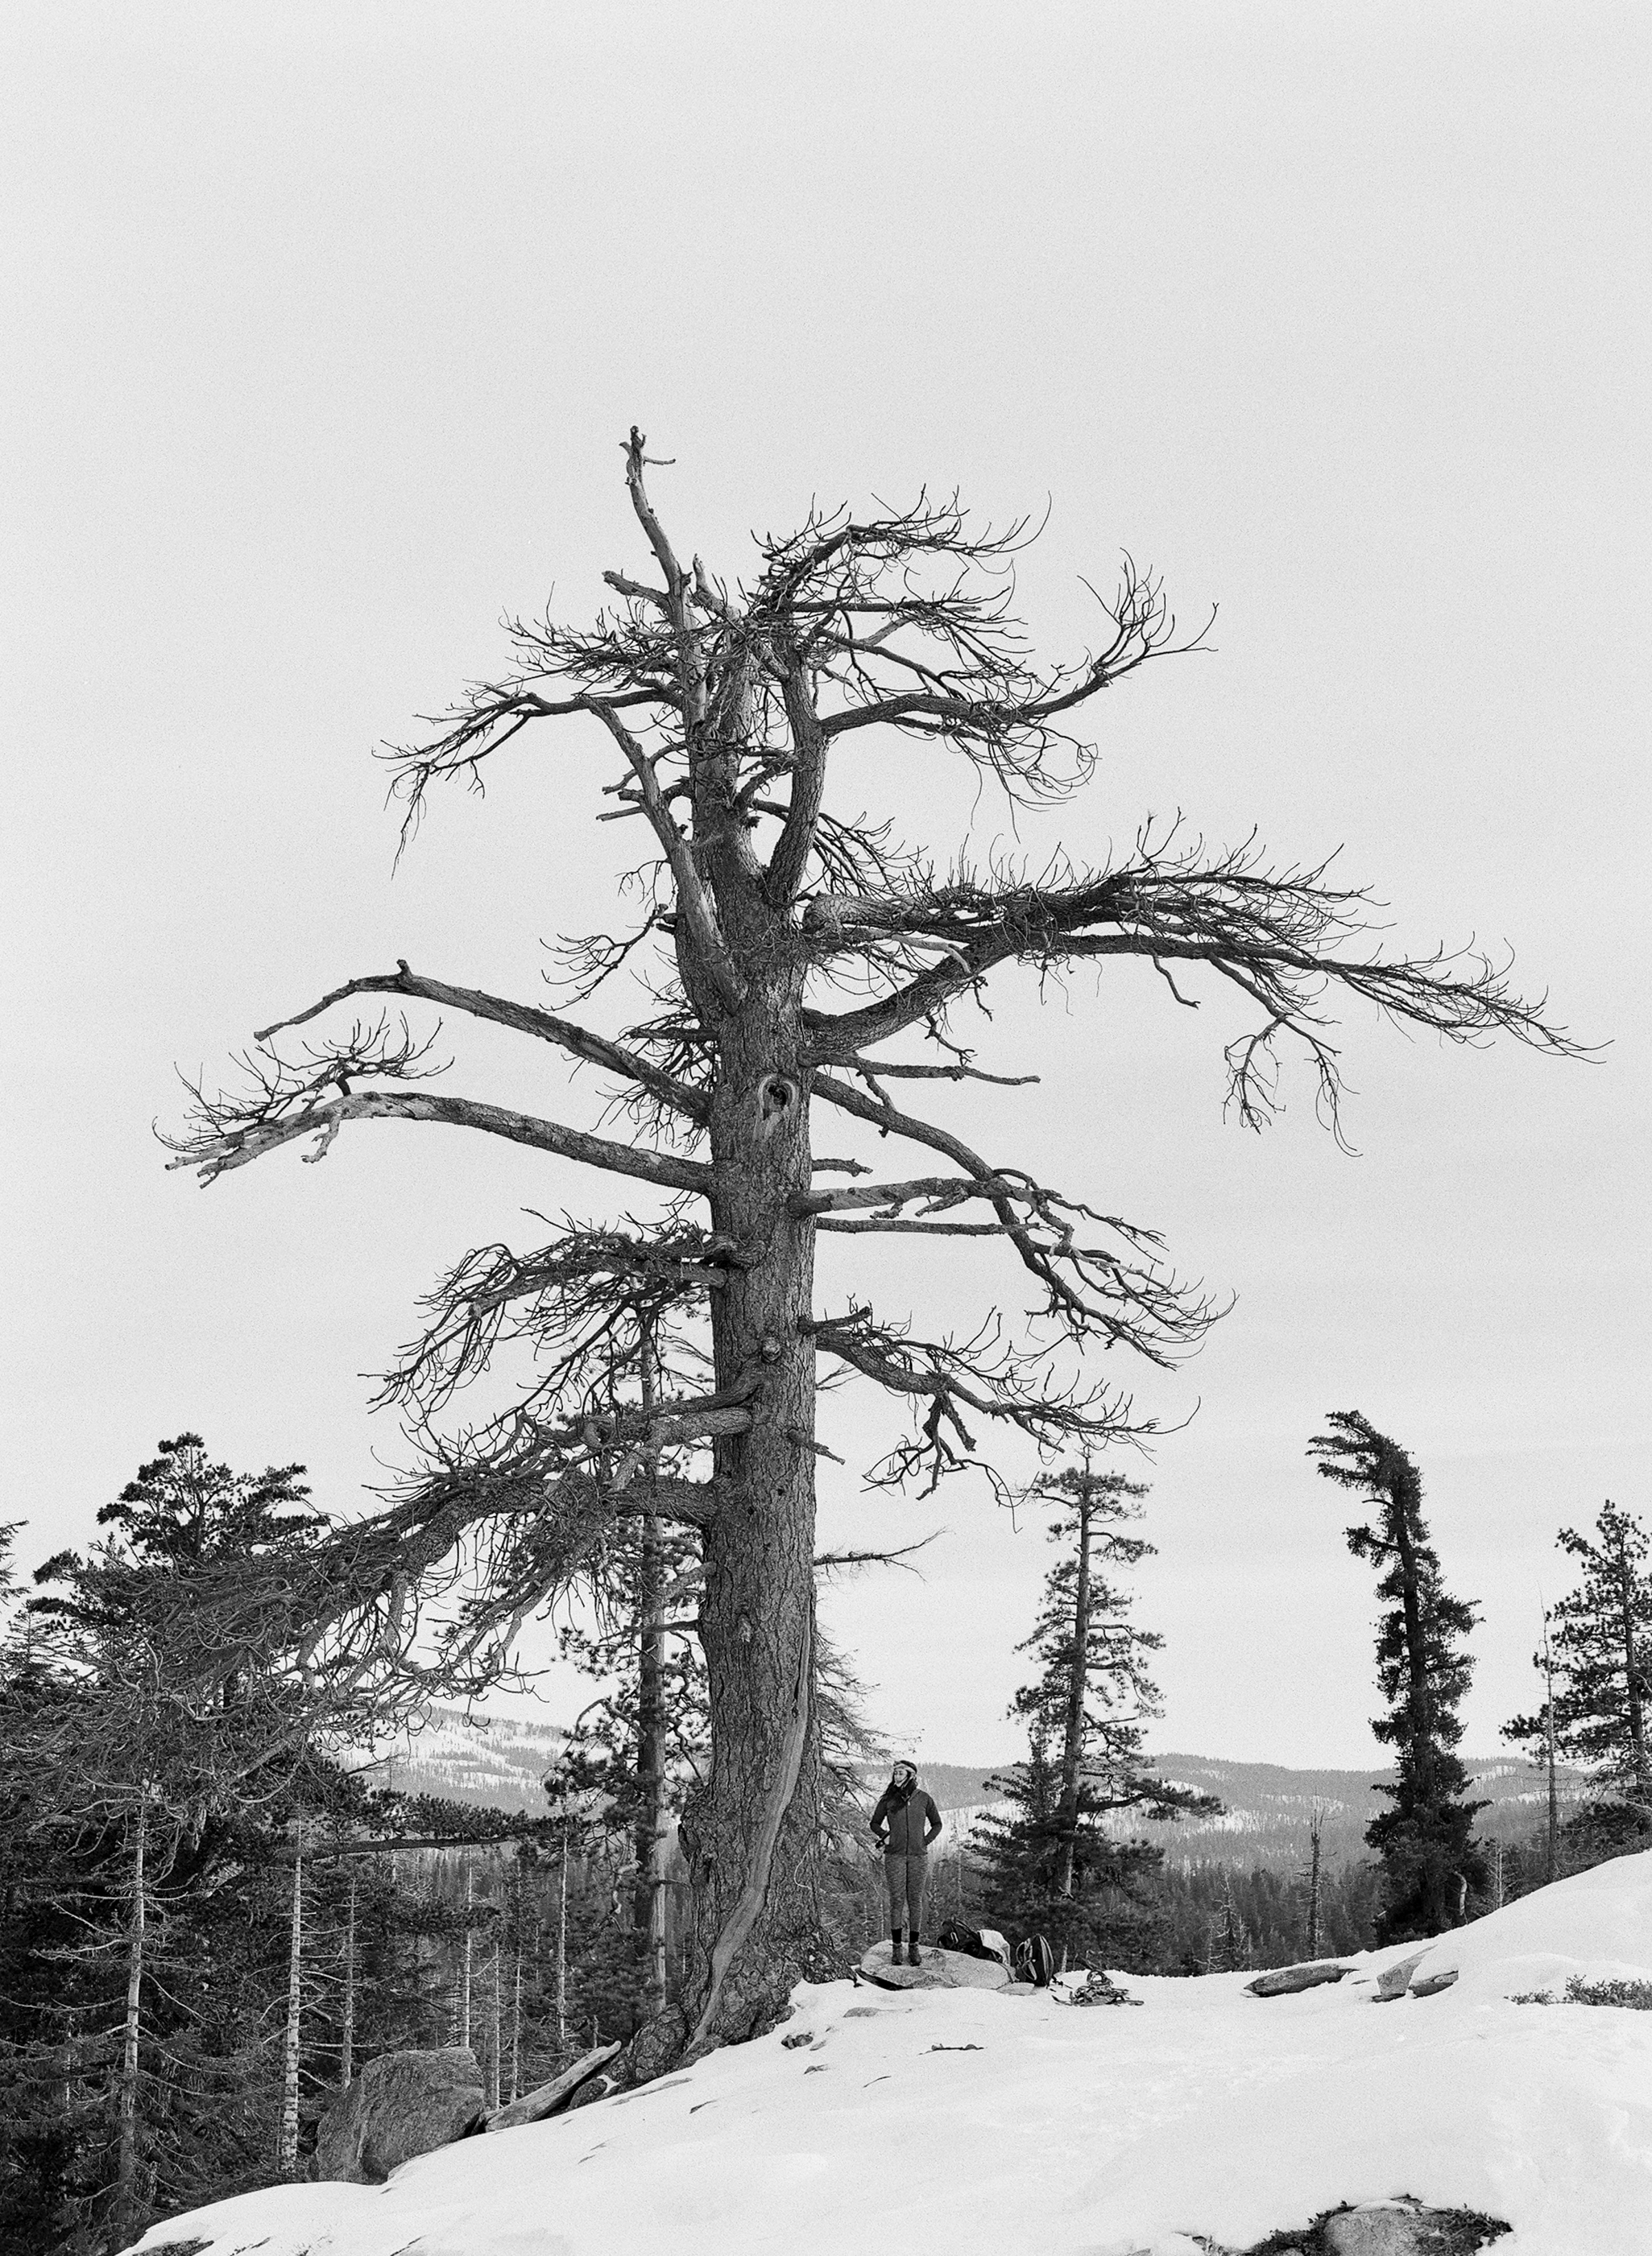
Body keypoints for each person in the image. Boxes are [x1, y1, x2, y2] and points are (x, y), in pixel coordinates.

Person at [869, 1759, 943, 1965]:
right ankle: (896, 1948)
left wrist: (924, 1841)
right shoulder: (888, 1800)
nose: (896, 1776)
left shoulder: (924, 1799)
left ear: (911, 1775)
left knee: (916, 1901)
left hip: (919, 1857)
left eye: (901, 1772)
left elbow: (937, 1824)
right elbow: (874, 1823)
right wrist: (885, 1836)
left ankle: (914, 1947)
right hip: (894, 1856)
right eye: (895, 1773)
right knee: (897, 1901)